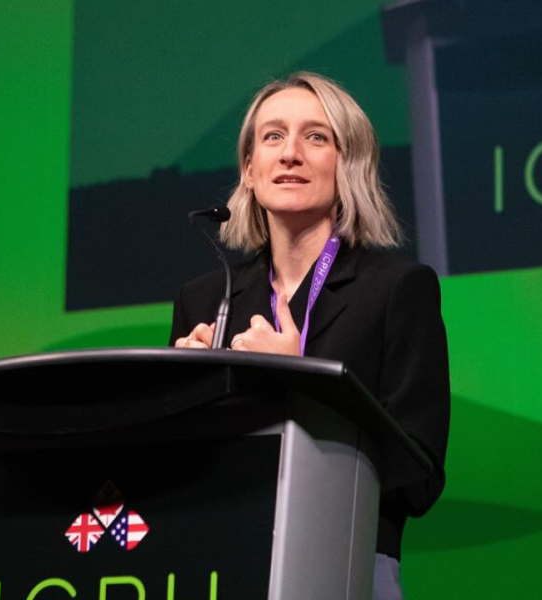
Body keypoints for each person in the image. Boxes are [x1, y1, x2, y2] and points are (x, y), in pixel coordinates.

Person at [169, 72, 450, 600]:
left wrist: (302, 387)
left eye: (316, 137)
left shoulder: (397, 290)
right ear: (250, 170)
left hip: (346, 561)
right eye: (272, 137)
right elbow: (176, 475)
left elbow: (420, 477)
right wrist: (181, 401)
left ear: (349, 165)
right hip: (218, 563)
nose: (291, 153)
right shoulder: (206, 300)